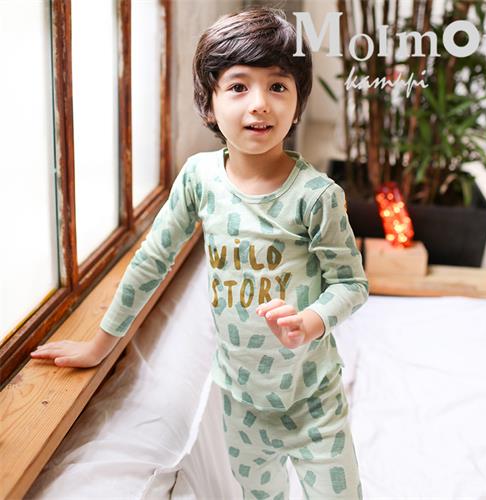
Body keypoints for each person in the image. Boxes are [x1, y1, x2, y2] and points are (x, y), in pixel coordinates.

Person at [31, 7, 368, 499]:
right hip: (240, 402)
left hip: (313, 400)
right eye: (238, 86)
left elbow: (351, 284)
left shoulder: (317, 196)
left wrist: (311, 320)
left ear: (298, 103)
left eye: (278, 86)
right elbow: (151, 261)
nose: (260, 104)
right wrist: (98, 347)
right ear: (208, 103)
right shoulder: (199, 178)